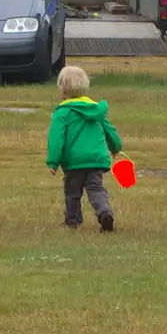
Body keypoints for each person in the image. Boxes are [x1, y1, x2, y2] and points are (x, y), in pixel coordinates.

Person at [45, 66, 123, 232]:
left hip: (74, 161)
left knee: (72, 192)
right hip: (96, 159)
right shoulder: (95, 109)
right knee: (96, 189)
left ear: (62, 88)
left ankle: (72, 221)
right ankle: (104, 212)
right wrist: (116, 147)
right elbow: (109, 129)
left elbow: (56, 138)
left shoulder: (63, 112)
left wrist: (53, 161)